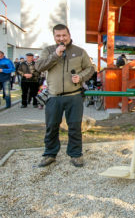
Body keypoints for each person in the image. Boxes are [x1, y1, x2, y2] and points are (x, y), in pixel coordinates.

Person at [35, 24, 94, 168]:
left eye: (64, 35)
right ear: (54, 37)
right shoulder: (48, 50)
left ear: (69, 35)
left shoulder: (80, 51)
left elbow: (90, 68)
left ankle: (75, 154)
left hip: (74, 96)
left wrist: (80, 77)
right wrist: (56, 55)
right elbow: (39, 67)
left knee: (74, 126)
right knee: (51, 126)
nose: (62, 38)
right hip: (54, 96)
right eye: (58, 36)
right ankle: (50, 154)